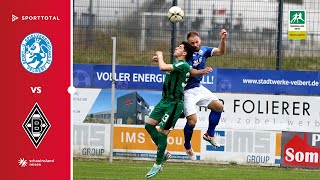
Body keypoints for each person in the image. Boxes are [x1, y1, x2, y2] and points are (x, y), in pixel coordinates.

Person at [145, 41, 212, 178]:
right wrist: (159, 59)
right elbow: (167, 68)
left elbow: (162, 67)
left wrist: (160, 55)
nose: (176, 48)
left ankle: (157, 165)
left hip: (174, 104)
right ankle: (164, 153)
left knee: (163, 133)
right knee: (149, 125)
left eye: (180, 47)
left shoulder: (183, 64)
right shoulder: (179, 65)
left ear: (185, 53)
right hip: (164, 101)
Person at [183, 29, 227, 161]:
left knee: (219, 106)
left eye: (197, 42)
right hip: (186, 92)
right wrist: (203, 71)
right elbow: (190, 72)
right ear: (188, 44)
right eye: (192, 43)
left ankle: (209, 134)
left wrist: (223, 40)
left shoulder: (204, 50)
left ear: (200, 40)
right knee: (192, 122)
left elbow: (221, 51)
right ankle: (187, 146)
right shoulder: (186, 54)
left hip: (198, 88)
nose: (195, 44)